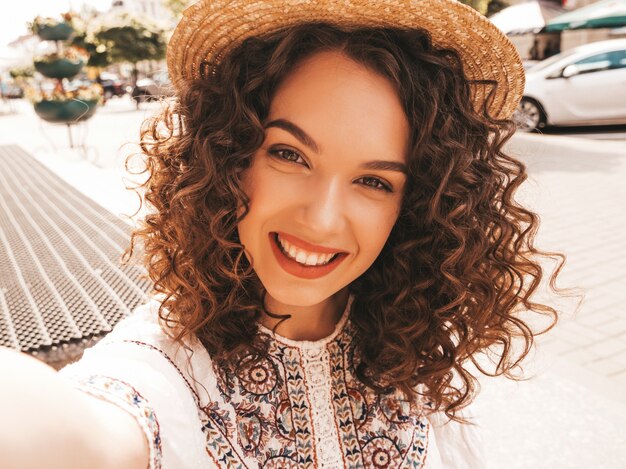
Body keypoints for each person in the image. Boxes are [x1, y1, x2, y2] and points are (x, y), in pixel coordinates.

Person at [0, 1, 565, 468]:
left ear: (416, 206)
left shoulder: (407, 340)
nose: (321, 220)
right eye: (290, 154)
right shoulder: (162, 368)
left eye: (373, 180)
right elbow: (76, 436)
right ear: (230, 155)